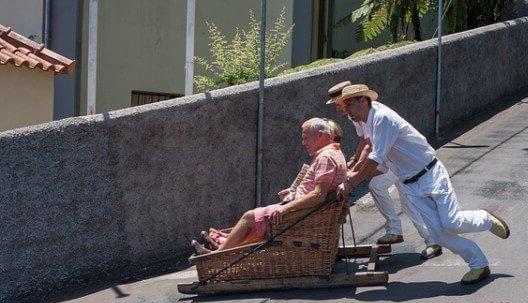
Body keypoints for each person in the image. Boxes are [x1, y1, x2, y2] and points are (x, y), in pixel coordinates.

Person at [336, 84, 510, 285]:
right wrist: (350, 176)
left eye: (350, 104)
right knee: (439, 235)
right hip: (410, 183)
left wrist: (351, 184)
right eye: (345, 104)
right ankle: (479, 264)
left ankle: (485, 218)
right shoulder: (366, 120)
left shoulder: (382, 118)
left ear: (364, 101)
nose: (347, 109)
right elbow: (378, 162)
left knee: (451, 222)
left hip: (430, 174)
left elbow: (375, 158)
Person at [193, 117, 347, 254]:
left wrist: (284, 208)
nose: (303, 143)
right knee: (255, 217)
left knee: (250, 217)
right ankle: (221, 243)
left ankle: (217, 254)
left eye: (306, 138)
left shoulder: (326, 157)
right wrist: (292, 193)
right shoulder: (333, 154)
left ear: (319, 136)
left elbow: (318, 196)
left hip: (302, 214)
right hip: (302, 210)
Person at [326, 81, 442, 260]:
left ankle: (429, 240)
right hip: (392, 161)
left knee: (405, 200)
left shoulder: (377, 115)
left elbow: (370, 147)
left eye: (338, 104)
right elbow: (365, 140)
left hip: (402, 161)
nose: (337, 108)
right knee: (380, 187)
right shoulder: (356, 114)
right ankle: (399, 230)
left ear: (349, 99)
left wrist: (354, 175)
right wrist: (353, 162)